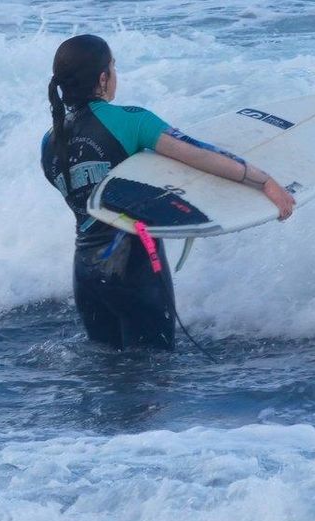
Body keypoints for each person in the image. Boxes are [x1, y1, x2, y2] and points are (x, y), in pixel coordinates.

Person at [41, 34, 295, 351]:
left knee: (106, 373)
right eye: (113, 68)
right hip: (135, 270)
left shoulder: (49, 142)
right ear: (103, 78)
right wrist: (264, 182)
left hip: (87, 274)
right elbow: (199, 154)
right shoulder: (131, 121)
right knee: (154, 377)